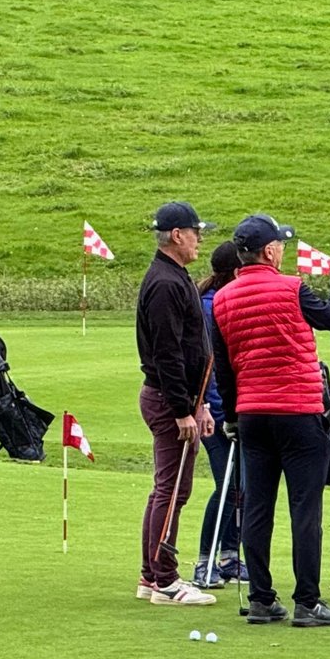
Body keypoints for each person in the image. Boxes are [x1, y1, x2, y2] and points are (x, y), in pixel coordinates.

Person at [212, 215, 330, 628]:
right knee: (305, 507)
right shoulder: (290, 287)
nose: (284, 249)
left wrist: (231, 416)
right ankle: (307, 600)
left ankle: (261, 598)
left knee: (257, 507)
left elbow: (225, 369)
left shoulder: (224, 298)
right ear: (269, 252)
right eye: (280, 244)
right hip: (298, 411)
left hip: (252, 414)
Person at [134, 201, 218, 606]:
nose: (200, 239)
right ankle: (164, 580)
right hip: (169, 401)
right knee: (170, 490)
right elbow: (168, 353)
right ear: (177, 235)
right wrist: (183, 409)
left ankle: (152, 575)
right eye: (196, 232)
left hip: (180, 399)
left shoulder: (175, 276)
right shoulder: (166, 283)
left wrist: (198, 405)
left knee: (169, 489)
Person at [192, 241, 248, 589]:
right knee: (228, 487)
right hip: (216, 411)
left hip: (232, 408)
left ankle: (228, 556)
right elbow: (211, 367)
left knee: (238, 486)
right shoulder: (214, 306)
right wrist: (214, 406)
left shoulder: (217, 300)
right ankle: (204, 562)